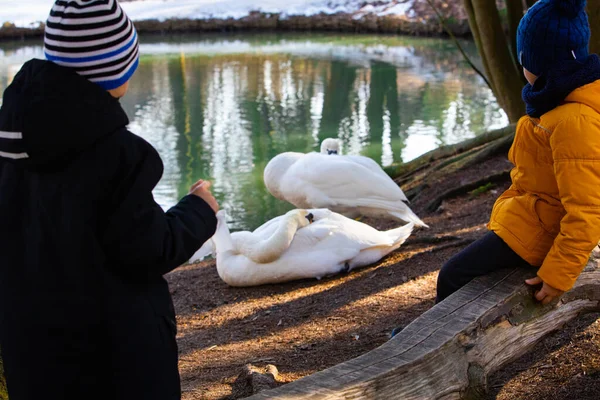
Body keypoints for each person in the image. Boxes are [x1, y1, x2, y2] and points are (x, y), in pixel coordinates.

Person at [0, 1, 219, 399]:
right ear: (117, 69)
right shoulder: (122, 156)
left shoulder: (10, 143)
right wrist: (199, 211)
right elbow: (147, 249)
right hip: (115, 356)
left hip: (31, 346)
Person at [436, 0, 600, 305]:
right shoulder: (560, 102)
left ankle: (426, 344)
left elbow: (588, 209)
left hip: (543, 232)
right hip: (537, 221)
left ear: (534, 63)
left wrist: (558, 273)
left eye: (522, 59)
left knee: (452, 275)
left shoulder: (572, 120)